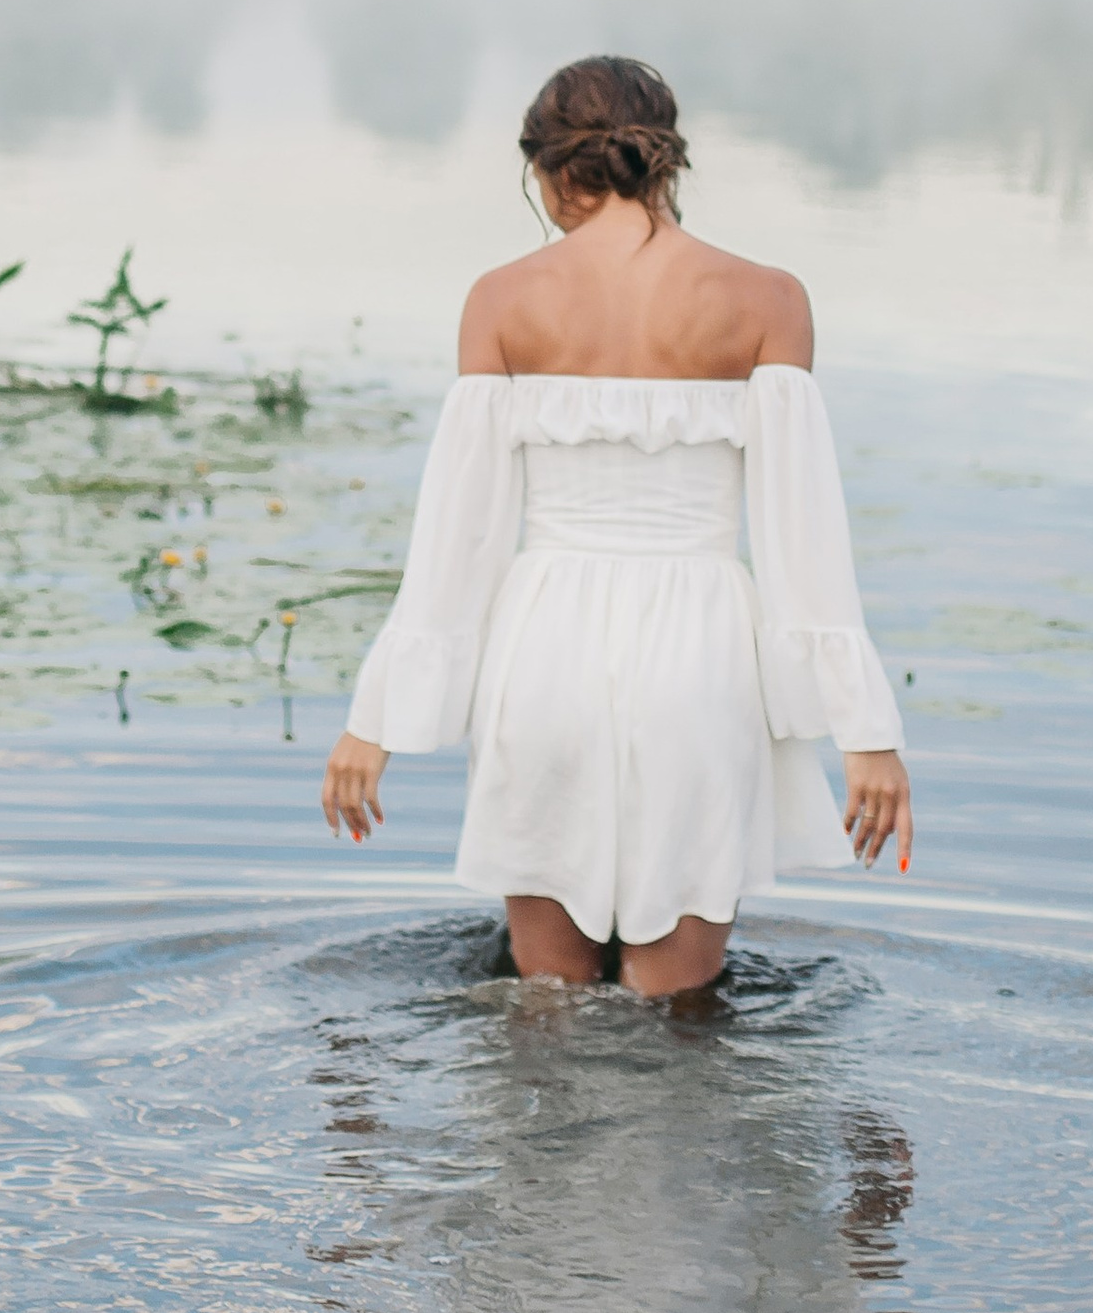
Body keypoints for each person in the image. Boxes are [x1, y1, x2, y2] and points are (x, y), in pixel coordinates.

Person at [320, 53, 912, 992]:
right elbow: (802, 533)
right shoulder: (768, 299)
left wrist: (373, 721)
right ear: (667, 160)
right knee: (678, 1010)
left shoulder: (503, 299)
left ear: (549, 172)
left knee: (548, 1007)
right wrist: (865, 732)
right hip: (701, 652)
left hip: (544, 644)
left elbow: (460, 534)